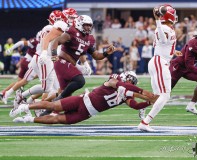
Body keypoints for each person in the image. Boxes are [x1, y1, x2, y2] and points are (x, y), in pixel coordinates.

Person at [10, 71, 156, 124]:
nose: (131, 84)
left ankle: (29, 119)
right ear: (127, 78)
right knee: (53, 106)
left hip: (86, 113)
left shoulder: (126, 96)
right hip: (82, 100)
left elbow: (135, 105)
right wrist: (142, 92)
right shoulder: (115, 80)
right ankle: (25, 106)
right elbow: (116, 83)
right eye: (131, 81)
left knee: (57, 119)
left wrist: (148, 102)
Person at [50, 15, 116, 102]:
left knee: (65, 96)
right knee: (80, 80)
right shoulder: (72, 31)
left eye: (90, 25)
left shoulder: (89, 39)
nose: (88, 27)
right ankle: (57, 100)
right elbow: (56, 41)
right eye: (86, 25)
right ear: (80, 24)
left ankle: (46, 109)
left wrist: (106, 53)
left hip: (70, 64)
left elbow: (96, 55)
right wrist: (54, 57)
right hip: (63, 62)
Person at [138, 4, 178, 132]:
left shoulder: (165, 27)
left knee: (157, 96)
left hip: (159, 60)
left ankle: (143, 106)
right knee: (165, 95)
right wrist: (157, 21)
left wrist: (173, 52)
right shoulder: (163, 28)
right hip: (160, 62)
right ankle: (145, 122)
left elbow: (164, 44)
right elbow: (163, 40)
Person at [0, 37, 38, 103]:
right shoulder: (39, 41)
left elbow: (21, 43)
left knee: (19, 82)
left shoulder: (36, 40)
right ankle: (19, 97)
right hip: (30, 63)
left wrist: (10, 49)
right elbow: (21, 42)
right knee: (24, 81)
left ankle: (3, 93)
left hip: (25, 61)